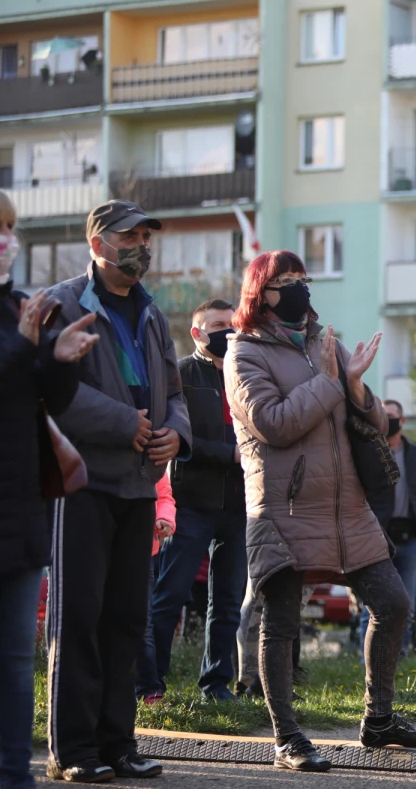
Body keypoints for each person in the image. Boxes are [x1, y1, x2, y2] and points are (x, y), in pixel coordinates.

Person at [226, 250, 416, 772]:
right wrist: (327, 382)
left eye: (304, 278)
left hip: (348, 507)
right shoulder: (243, 354)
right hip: (285, 507)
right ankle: (288, 738)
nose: (300, 289)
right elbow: (273, 424)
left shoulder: (328, 344)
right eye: (287, 281)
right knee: (281, 623)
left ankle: (379, 719)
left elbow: (371, 422)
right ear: (262, 291)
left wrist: (358, 385)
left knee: (393, 603)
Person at [45, 199, 192, 783]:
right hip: (82, 483)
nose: (143, 247)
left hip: (139, 486)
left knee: (127, 619)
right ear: (98, 244)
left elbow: (176, 392)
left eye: (147, 237)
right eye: (130, 236)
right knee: (79, 615)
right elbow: (52, 388)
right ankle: (73, 752)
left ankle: (118, 744)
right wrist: (120, 421)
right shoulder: (61, 303)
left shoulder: (153, 314)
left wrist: (176, 434)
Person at [0, 182, 97, 789]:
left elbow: (43, 401)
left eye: (10, 227)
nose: (4, 241)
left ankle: (15, 778)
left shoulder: (14, 306)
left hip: (19, 509)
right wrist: (26, 349)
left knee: (15, 662)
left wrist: (58, 360)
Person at [145, 299, 247, 703]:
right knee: (170, 595)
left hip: (239, 505)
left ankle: (216, 685)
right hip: (190, 501)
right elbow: (177, 436)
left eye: (232, 323)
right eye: (219, 325)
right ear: (197, 332)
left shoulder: (246, 374)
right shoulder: (181, 375)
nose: (228, 331)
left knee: (227, 601)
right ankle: (151, 684)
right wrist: (230, 455)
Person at [368, 400, 416, 658]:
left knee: (404, 601)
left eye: (392, 416)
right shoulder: (370, 451)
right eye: (383, 416)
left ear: (403, 420)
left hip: (410, 539)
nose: (388, 421)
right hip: (377, 536)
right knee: (374, 601)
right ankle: (372, 657)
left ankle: (399, 655)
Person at [135, 475, 177, 705]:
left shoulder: (152, 448)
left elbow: (164, 496)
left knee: (142, 621)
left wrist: (164, 518)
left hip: (143, 550)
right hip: (101, 547)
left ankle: (149, 688)